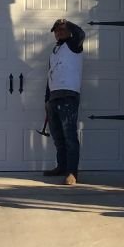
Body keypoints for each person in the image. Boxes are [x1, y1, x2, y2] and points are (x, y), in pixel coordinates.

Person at [44, 18, 85, 185]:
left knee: (69, 136)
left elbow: (81, 33)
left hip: (68, 95)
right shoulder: (55, 50)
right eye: (56, 30)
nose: (59, 32)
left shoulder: (74, 44)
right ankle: (61, 166)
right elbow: (50, 75)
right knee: (58, 137)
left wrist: (67, 23)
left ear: (68, 31)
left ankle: (72, 173)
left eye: (62, 29)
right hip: (53, 97)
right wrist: (46, 100)